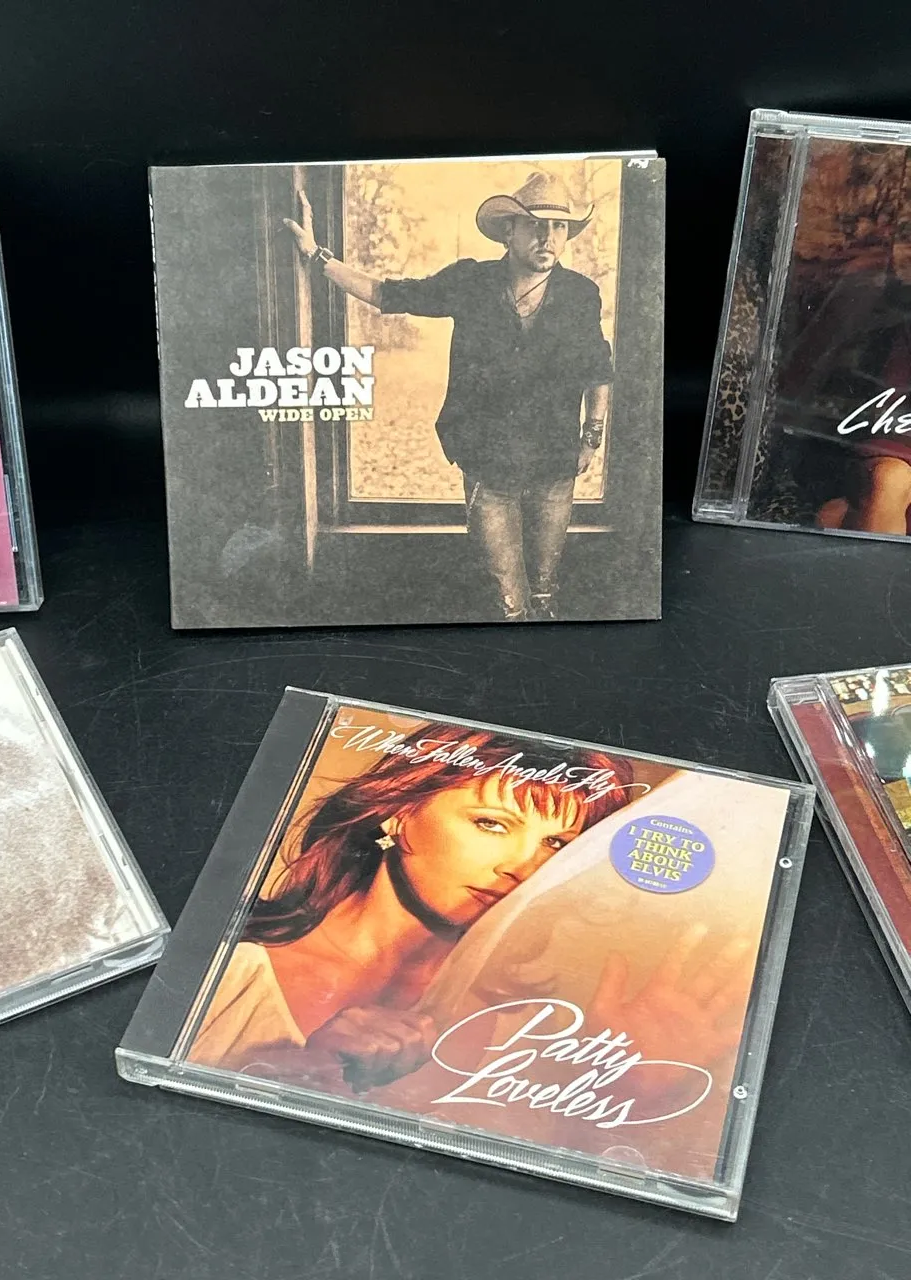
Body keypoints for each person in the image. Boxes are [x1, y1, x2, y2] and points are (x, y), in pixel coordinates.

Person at [188, 726, 754, 1096]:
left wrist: (624, 1088)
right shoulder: (221, 966)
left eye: (556, 845)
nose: (522, 866)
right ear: (397, 812)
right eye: (491, 823)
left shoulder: (528, 1032)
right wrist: (307, 1072)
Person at [282, 171, 614, 621]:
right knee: (507, 601)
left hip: (553, 463)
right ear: (508, 231)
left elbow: (597, 370)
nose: (548, 238)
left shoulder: (580, 294)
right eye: (536, 225)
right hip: (488, 464)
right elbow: (388, 294)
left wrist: (591, 438)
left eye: (559, 227)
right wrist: (317, 256)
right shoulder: (471, 282)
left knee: (543, 591)